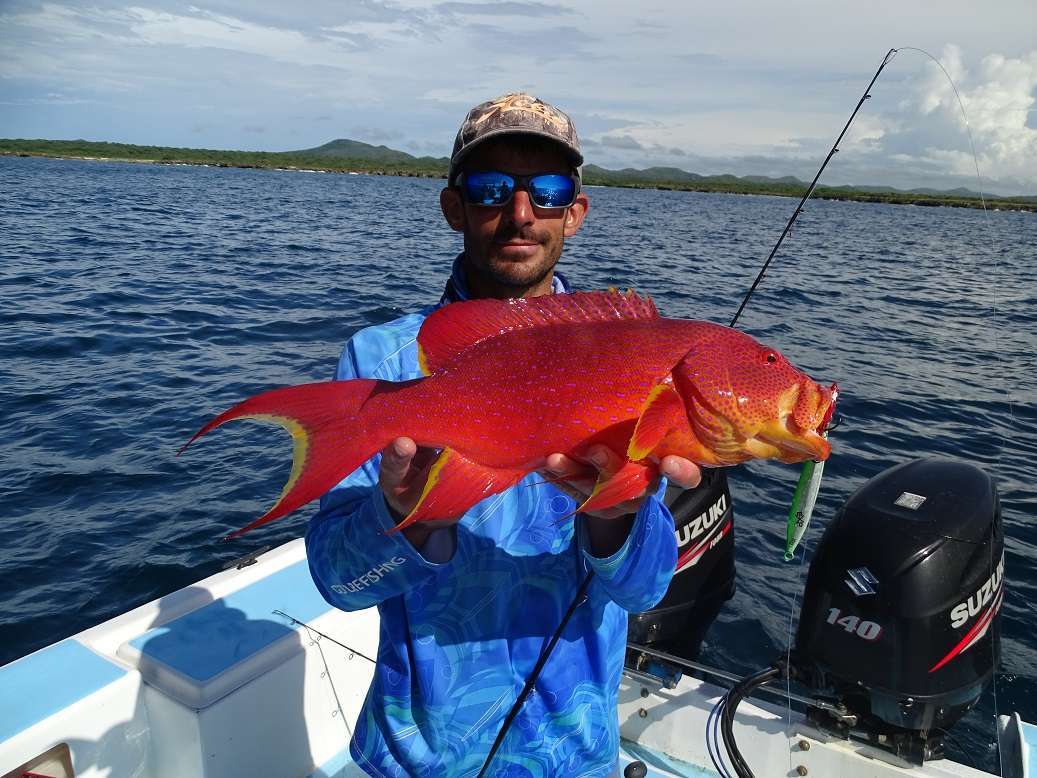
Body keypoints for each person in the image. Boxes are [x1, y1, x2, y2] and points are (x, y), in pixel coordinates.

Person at [305, 92, 702, 776]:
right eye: (491, 189)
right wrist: (397, 516)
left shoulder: (627, 355)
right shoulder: (381, 365)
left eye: (546, 192)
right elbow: (342, 585)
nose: (520, 214)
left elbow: (642, 592)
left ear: (574, 213)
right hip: (414, 759)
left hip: (571, 759)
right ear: (454, 208)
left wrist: (614, 518)